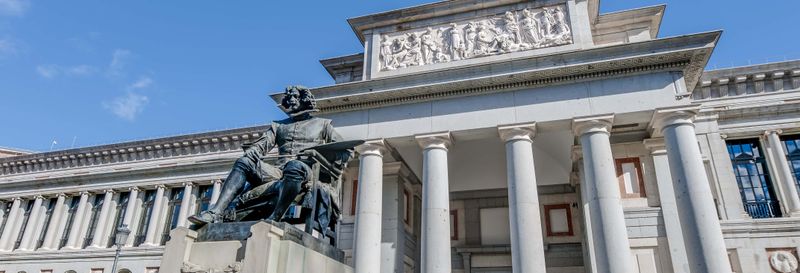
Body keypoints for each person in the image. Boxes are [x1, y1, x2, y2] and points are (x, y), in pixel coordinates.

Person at [188, 86, 350, 228]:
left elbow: (345, 152)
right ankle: (216, 212)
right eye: (289, 97)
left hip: (306, 171)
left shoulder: (323, 125)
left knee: (295, 166)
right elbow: (260, 146)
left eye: (295, 96)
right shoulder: (278, 126)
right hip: (277, 171)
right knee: (244, 162)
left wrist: (320, 156)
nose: (291, 100)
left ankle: (275, 217)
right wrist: (252, 153)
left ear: (305, 100)